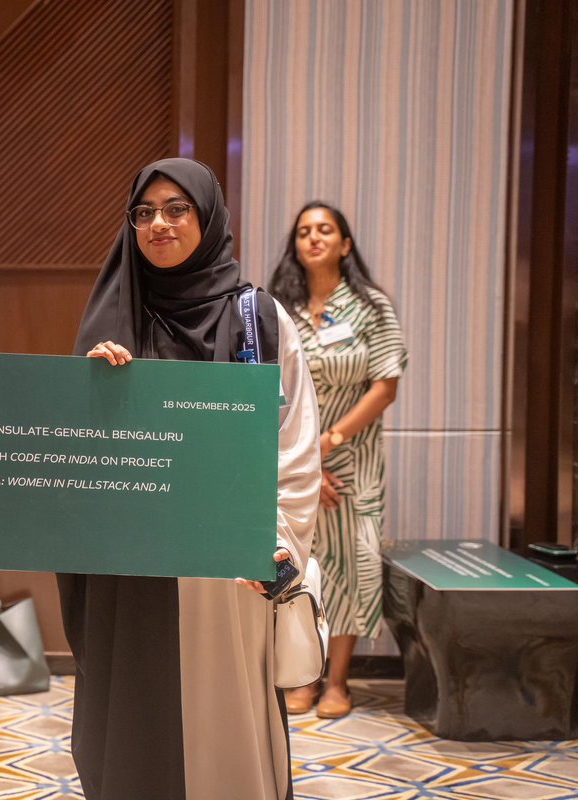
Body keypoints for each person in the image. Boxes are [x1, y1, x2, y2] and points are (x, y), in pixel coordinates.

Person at [58, 158, 321, 800]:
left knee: (224, 726)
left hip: (227, 571)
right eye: (144, 212)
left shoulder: (258, 318)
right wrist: (96, 392)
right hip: (134, 576)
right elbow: (76, 456)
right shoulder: (113, 321)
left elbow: (295, 441)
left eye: (177, 208)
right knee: (136, 733)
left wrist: (278, 541)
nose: (159, 224)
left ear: (208, 217)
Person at [268, 202, 406, 719]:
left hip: (354, 462)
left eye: (325, 229)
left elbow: (386, 385)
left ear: (346, 244)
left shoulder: (371, 307)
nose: (314, 238)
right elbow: (270, 389)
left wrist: (328, 443)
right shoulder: (278, 309)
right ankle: (302, 673)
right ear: (295, 246)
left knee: (352, 568)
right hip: (292, 459)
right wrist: (306, 459)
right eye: (304, 231)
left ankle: (337, 682)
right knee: (298, 564)